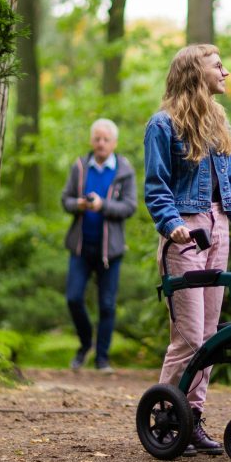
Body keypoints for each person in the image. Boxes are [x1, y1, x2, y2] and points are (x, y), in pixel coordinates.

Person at [144, 43, 231, 456]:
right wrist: (173, 226)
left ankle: (192, 419)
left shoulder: (217, 122)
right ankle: (168, 418)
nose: (226, 72)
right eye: (218, 66)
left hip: (217, 230)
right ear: (194, 72)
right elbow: (156, 188)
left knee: (211, 337)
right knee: (189, 337)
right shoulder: (162, 126)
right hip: (186, 231)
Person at [61, 118, 137, 373]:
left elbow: (130, 206)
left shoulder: (124, 170)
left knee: (107, 305)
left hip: (110, 251)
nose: (101, 143)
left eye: (106, 139)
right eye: (97, 138)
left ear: (114, 143)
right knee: (73, 298)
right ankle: (85, 344)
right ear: (91, 141)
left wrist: (102, 205)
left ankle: (102, 358)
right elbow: (66, 200)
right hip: (82, 247)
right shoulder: (80, 167)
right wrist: (79, 205)